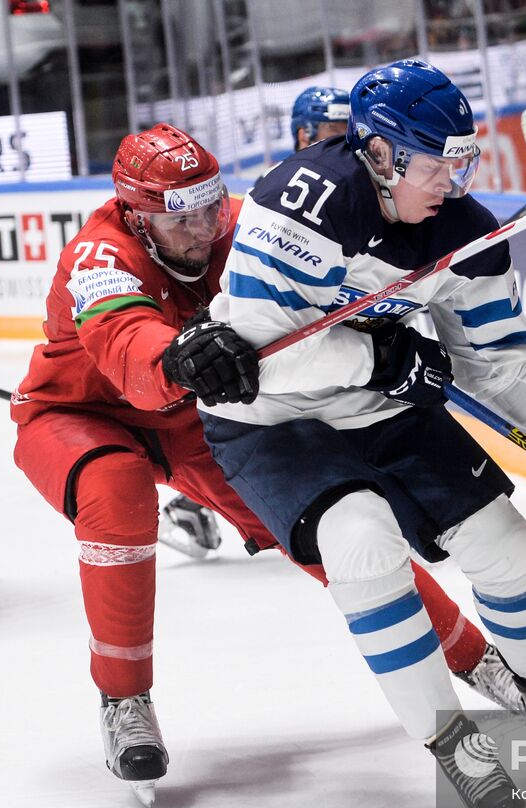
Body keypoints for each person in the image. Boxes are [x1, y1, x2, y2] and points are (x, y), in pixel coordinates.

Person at [200, 61, 526, 808]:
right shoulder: (302, 200)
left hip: (378, 395)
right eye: (437, 161)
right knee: (363, 546)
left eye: (463, 157)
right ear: (378, 153)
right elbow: (255, 356)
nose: (454, 177)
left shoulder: (465, 233)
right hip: (270, 415)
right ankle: (453, 741)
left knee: (504, 544)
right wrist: (380, 360)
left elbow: (498, 364)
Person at [10, 123, 520, 806]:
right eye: (179, 217)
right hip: (81, 413)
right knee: (117, 492)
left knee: (330, 525)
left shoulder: (242, 230)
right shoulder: (99, 253)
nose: (201, 229)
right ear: (137, 215)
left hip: (201, 421)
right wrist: (177, 356)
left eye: (209, 207)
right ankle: (124, 699)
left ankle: (477, 659)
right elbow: (125, 340)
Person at [156, 85, 352, 557]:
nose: (345, 141)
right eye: (332, 131)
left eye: (351, 131)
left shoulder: (350, 184)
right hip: (277, 328)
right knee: (258, 412)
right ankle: (197, 502)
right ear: (304, 133)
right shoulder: (282, 188)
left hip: (324, 327)